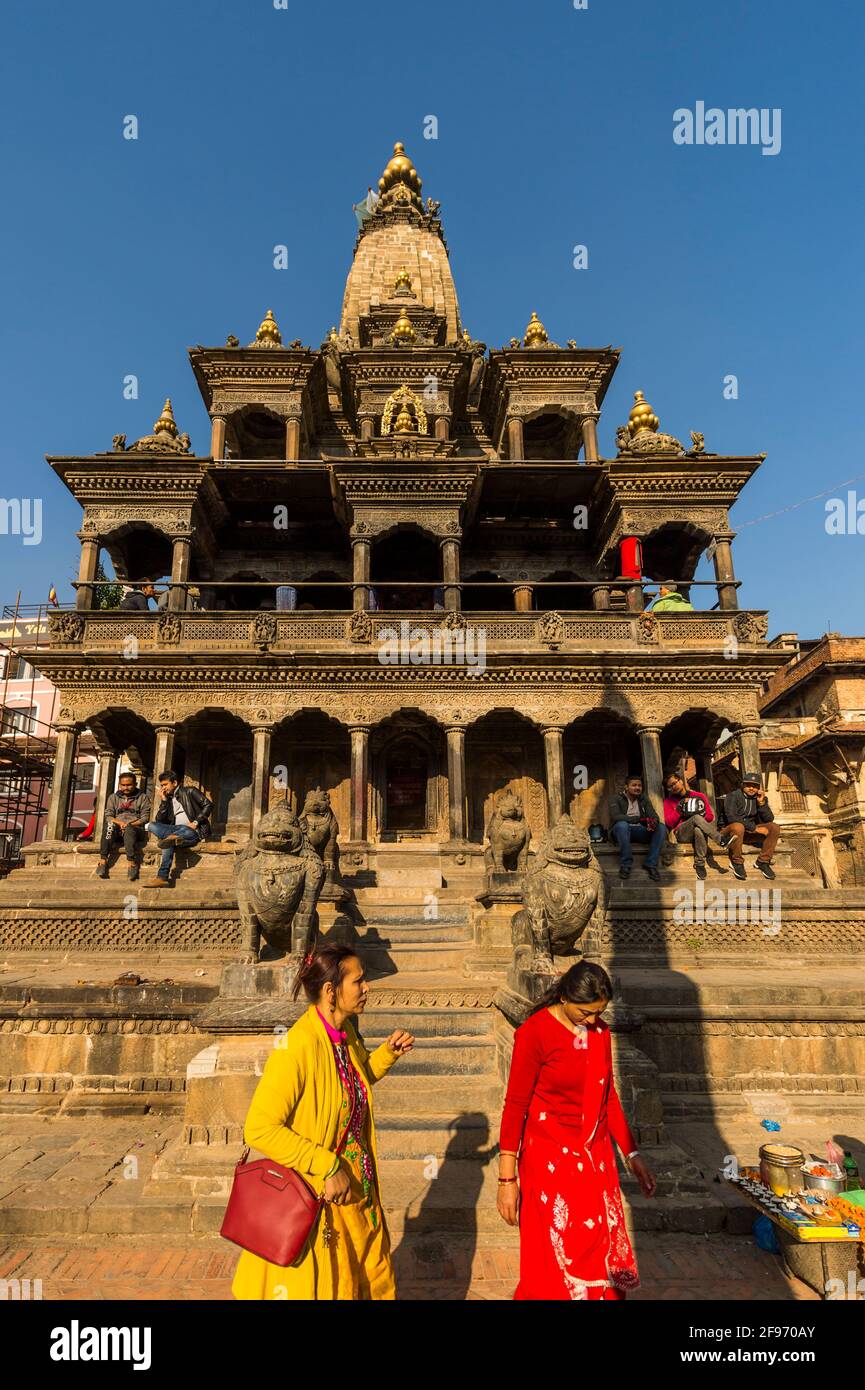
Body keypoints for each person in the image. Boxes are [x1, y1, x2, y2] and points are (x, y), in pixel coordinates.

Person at [232, 943, 414, 1300]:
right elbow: (259, 1127)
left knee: (366, 1276)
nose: (366, 988)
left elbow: (354, 1084)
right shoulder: (297, 1047)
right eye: (358, 982)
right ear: (331, 991)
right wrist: (327, 1166)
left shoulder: (344, 1037)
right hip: (321, 1195)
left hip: (357, 1192)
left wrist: (387, 1055)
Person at [497, 960, 656, 1300]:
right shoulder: (535, 1033)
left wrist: (632, 1154)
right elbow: (515, 1106)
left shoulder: (599, 1033)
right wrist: (507, 1180)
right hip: (549, 1157)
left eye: (599, 1013)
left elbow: (607, 1095)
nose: (592, 1020)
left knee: (599, 1244)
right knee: (555, 1251)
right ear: (565, 998)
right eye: (585, 1013)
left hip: (594, 1156)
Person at [144, 770, 212, 887]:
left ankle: (162, 877)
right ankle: (173, 838)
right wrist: (164, 801)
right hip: (174, 831)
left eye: (165, 785)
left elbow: (208, 804)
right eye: (161, 786)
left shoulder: (190, 791)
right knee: (151, 825)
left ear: (174, 783)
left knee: (170, 839)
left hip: (192, 832)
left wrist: (196, 822)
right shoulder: (168, 799)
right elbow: (160, 821)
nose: (163, 788)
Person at [664, 772, 732, 880]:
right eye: (670, 786)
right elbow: (668, 823)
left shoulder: (699, 796)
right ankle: (721, 840)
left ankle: (700, 864)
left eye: (674, 783)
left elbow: (710, 816)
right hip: (681, 833)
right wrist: (679, 809)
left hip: (698, 829)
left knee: (698, 829)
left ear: (681, 781)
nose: (673, 787)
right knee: (696, 818)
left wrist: (698, 815)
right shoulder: (669, 801)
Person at [721, 772, 780, 880]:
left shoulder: (759, 798)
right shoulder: (732, 796)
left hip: (746, 834)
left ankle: (763, 862)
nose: (751, 788)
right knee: (738, 826)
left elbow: (769, 819)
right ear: (743, 785)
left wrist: (761, 804)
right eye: (748, 785)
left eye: (755, 786)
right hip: (729, 833)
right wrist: (755, 828)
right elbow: (732, 818)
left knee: (774, 827)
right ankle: (737, 862)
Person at [608, 774, 666, 881]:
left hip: (639, 832)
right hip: (621, 833)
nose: (637, 788)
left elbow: (654, 816)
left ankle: (651, 864)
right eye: (634, 785)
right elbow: (616, 816)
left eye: (639, 785)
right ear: (626, 787)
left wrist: (653, 822)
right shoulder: (615, 798)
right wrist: (640, 819)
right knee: (622, 824)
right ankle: (626, 864)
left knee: (661, 827)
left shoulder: (644, 799)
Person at [96, 771, 149, 881]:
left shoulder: (143, 797)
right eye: (123, 785)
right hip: (117, 828)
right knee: (109, 825)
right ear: (119, 785)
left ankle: (131, 863)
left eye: (129, 785)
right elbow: (109, 816)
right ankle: (103, 860)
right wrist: (120, 823)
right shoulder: (113, 797)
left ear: (135, 784)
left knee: (129, 829)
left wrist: (129, 825)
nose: (126, 787)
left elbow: (145, 818)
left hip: (136, 829)